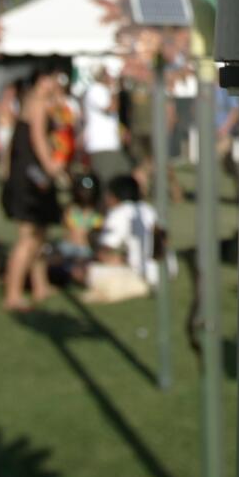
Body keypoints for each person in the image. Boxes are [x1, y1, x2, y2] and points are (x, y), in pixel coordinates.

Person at [2, 65, 66, 311]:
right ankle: (13, 293)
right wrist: (51, 167)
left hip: (26, 174)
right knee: (28, 237)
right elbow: (38, 138)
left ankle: (40, 285)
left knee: (40, 234)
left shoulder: (32, 100)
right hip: (31, 177)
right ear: (43, 79)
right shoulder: (38, 103)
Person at [87, 174, 163, 304]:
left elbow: (103, 253)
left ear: (114, 196)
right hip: (163, 272)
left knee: (84, 269)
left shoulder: (118, 213)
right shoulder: (149, 209)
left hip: (139, 275)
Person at [79, 68, 128, 184]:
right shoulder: (95, 90)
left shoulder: (104, 91)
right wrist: (115, 89)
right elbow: (111, 107)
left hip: (111, 145)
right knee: (107, 181)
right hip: (101, 145)